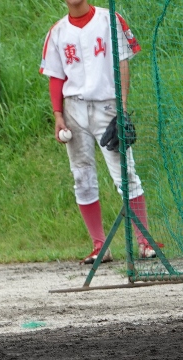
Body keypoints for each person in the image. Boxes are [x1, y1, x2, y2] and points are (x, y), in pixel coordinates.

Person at [40, 0, 156, 264]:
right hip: (74, 109)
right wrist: (58, 115)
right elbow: (56, 77)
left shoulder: (110, 20)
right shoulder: (57, 32)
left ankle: (144, 241)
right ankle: (99, 245)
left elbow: (123, 63)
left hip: (107, 107)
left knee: (125, 173)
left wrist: (122, 107)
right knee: (82, 177)